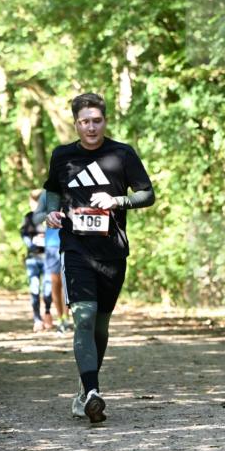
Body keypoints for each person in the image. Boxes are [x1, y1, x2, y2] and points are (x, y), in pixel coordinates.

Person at [44, 92, 155, 423]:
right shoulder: (62, 156)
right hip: (76, 248)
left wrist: (118, 201)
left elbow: (147, 194)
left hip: (112, 251)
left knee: (101, 326)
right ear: (75, 124)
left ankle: (83, 388)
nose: (91, 127)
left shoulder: (122, 153)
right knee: (84, 315)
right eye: (84, 122)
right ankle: (93, 393)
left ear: (105, 121)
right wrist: (51, 213)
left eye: (97, 121)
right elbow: (51, 189)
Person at [34, 190, 72, 333]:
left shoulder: (77, 186)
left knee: (67, 281)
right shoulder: (48, 193)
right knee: (56, 282)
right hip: (53, 243)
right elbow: (36, 218)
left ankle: (66, 319)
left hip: (73, 242)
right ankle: (60, 317)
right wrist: (50, 214)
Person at [20, 189, 53, 332]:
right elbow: (23, 233)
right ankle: (36, 319)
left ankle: (47, 312)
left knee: (47, 290)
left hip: (48, 258)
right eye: (33, 202)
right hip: (33, 259)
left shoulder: (50, 216)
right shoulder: (28, 217)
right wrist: (32, 245)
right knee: (34, 288)